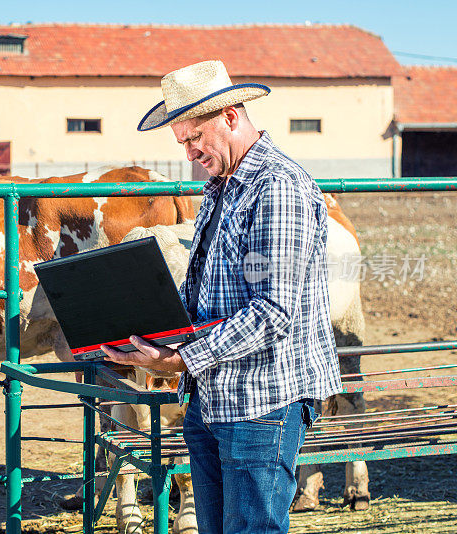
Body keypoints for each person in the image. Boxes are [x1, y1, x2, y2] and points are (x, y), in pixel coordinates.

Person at [101, 60, 342, 533]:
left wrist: (183, 360)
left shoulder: (276, 186)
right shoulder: (220, 188)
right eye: (182, 143)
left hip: (262, 402)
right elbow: (211, 292)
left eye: (195, 139)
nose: (191, 154)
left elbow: (274, 311)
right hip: (213, 398)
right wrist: (147, 330)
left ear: (231, 116)